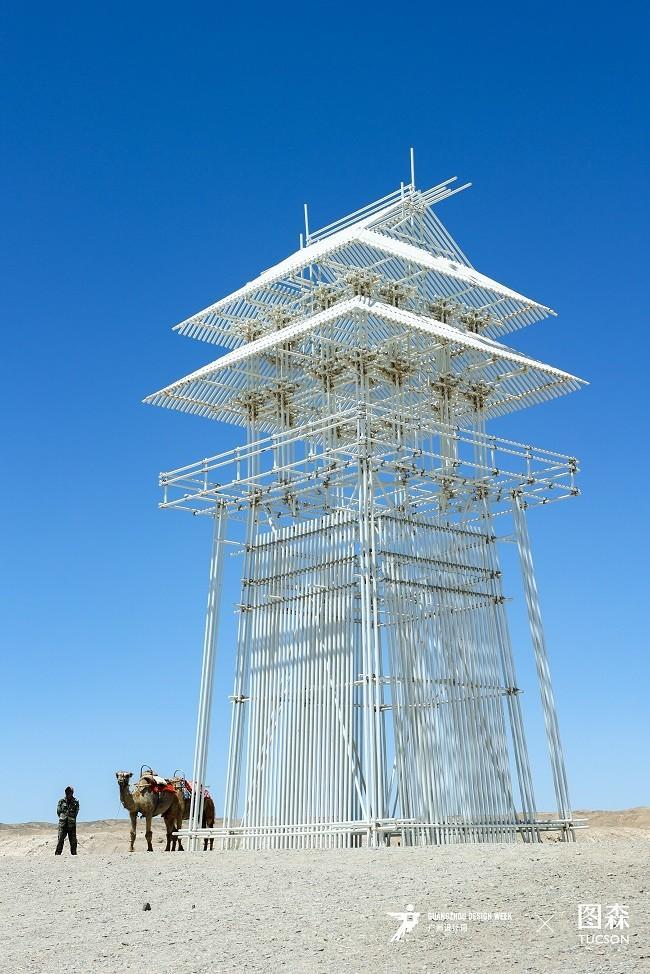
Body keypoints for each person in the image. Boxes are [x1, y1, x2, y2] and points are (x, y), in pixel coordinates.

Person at [55, 786, 79, 855]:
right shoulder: (61, 801)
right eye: (67, 792)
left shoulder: (75, 801)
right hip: (63, 824)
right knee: (60, 840)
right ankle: (57, 855)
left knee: (73, 841)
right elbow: (58, 811)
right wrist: (63, 818)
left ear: (72, 793)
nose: (68, 793)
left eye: (69, 792)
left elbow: (76, 812)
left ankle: (74, 854)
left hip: (71, 824)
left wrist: (71, 818)